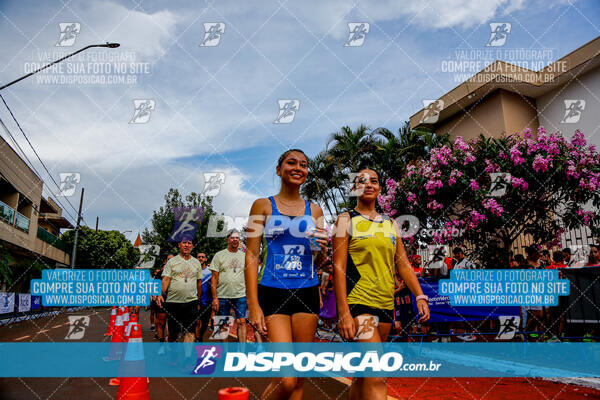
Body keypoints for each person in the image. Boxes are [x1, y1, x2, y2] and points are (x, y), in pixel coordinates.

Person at [332, 168, 430, 400]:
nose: (368, 185)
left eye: (374, 181)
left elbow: (403, 264)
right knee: (377, 373)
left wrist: (419, 295)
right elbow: (338, 266)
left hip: (385, 305)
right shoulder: (346, 219)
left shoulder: (390, 223)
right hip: (358, 304)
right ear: (355, 188)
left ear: (380, 188)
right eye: (362, 181)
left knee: (364, 375)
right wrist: (343, 312)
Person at [245, 149, 328, 400]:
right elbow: (251, 256)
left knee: (299, 378)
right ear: (279, 169)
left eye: (303, 164)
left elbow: (319, 261)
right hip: (272, 292)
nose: (298, 168)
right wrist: (253, 304)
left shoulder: (315, 210)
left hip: (307, 293)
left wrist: (322, 251)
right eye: (291, 163)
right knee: (286, 378)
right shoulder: (262, 205)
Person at [156, 238, 202, 349]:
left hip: (191, 302)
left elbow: (198, 283)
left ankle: (187, 358)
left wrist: (198, 300)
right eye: (184, 243)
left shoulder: (196, 263)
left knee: (190, 331)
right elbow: (166, 279)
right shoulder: (172, 262)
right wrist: (160, 294)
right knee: (173, 333)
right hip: (173, 302)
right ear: (179, 245)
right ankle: (172, 351)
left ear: (192, 246)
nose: (187, 245)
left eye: (189, 243)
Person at [210, 229, 247, 342]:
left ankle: (242, 352)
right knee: (223, 324)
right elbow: (214, 278)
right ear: (228, 240)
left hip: (240, 295)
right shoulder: (219, 255)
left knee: (242, 322)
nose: (235, 240)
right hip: (222, 296)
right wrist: (215, 298)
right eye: (232, 238)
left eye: (237, 238)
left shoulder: (244, 256)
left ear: (239, 240)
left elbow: (247, 277)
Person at [151, 254, 173, 342]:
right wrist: (155, 296)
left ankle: (171, 341)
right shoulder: (160, 274)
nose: (170, 261)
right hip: (162, 300)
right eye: (169, 260)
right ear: (165, 261)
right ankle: (161, 342)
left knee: (173, 324)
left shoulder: (178, 274)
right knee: (161, 322)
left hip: (174, 301)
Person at [195, 252, 213, 341]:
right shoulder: (192, 270)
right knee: (197, 322)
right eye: (199, 257)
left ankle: (200, 335)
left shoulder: (210, 271)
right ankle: (197, 338)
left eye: (203, 257)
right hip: (195, 300)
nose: (201, 259)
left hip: (207, 301)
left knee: (205, 323)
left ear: (205, 259)